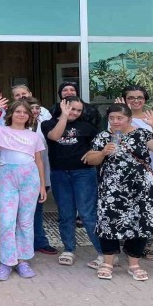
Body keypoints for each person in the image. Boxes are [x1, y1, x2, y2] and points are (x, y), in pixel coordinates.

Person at [82, 103, 153, 280]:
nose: (115, 121)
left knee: (140, 223)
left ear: (129, 119)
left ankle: (134, 264)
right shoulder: (104, 136)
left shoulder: (142, 133)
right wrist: (102, 153)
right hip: (112, 189)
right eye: (112, 118)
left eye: (119, 118)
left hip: (141, 189)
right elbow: (90, 159)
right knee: (108, 222)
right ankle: (108, 262)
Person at [0, 98, 47, 281]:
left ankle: (23, 260)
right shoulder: (1, 131)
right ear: (11, 114)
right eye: (18, 112)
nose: (21, 115)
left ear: (30, 116)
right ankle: (7, 262)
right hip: (7, 177)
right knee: (7, 221)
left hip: (30, 178)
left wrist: (42, 184)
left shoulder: (34, 136)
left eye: (25, 112)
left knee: (25, 221)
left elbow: (39, 160)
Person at [40, 97, 103, 269]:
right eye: (71, 108)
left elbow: (98, 146)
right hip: (59, 173)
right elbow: (54, 136)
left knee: (87, 214)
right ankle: (69, 249)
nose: (74, 112)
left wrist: (93, 152)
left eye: (78, 110)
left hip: (84, 173)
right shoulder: (48, 124)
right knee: (65, 214)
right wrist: (64, 116)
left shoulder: (87, 127)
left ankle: (103, 252)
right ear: (63, 106)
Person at [9, 86, 56, 255]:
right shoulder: (13, 121)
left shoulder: (45, 118)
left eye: (37, 108)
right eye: (18, 95)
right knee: (16, 212)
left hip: (42, 171)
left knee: (36, 209)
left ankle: (38, 241)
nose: (34, 111)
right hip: (17, 174)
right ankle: (18, 245)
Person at [118, 85, 153, 260]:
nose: (136, 100)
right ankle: (127, 244)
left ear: (145, 100)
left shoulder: (152, 119)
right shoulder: (118, 118)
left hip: (150, 169)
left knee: (147, 210)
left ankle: (143, 246)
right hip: (125, 172)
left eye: (140, 97)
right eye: (131, 97)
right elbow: (116, 139)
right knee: (126, 208)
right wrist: (122, 111)